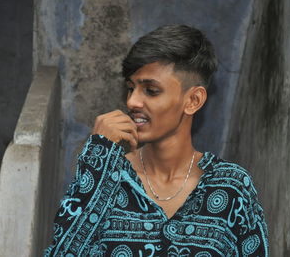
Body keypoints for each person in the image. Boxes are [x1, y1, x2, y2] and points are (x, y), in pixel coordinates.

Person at [44, 24, 269, 256]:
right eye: (131, 88)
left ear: (193, 100)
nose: (132, 102)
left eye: (151, 91)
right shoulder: (108, 178)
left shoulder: (230, 186)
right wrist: (98, 156)